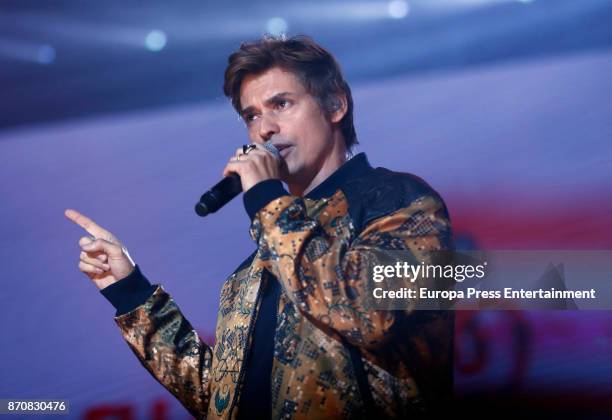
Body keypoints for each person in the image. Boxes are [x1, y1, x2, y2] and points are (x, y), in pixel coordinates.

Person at [65, 35, 454, 419]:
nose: (264, 129)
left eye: (281, 104)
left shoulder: (401, 204)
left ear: (335, 104)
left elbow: (366, 316)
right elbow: (219, 401)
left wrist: (267, 198)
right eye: (251, 115)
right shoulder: (254, 269)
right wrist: (131, 292)